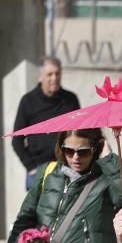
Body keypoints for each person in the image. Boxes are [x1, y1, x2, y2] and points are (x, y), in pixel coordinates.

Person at [11, 57, 81, 190]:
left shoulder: (70, 99)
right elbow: (17, 140)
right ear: (40, 77)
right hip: (39, 169)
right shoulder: (28, 101)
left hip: (67, 167)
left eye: (57, 73)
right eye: (49, 74)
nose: (54, 78)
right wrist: (31, 168)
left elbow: (80, 132)